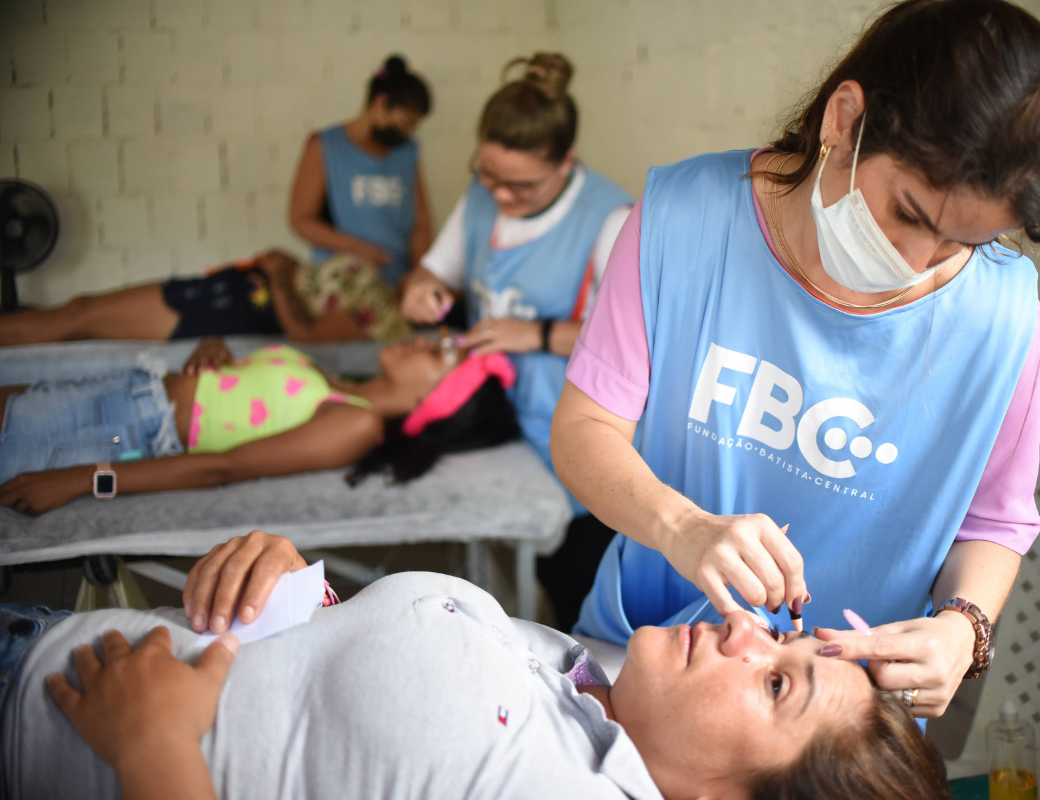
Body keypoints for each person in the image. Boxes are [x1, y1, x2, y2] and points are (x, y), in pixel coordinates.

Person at [551, 0, 1040, 720]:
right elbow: (584, 431)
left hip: (834, 724)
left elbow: (995, 523)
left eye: (963, 243)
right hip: (643, 656)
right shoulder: (683, 217)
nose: (916, 264)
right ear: (844, 119)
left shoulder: (1003, 316)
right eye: (909, 215)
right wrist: (682, 527)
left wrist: (963, 629)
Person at [1, 531, 950, 799]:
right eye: (786, 638)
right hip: (50, 643)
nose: (747, 628)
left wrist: (153, 747)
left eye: (776, 681)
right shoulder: (600, 695)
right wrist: (294, 598)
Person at [401, 53, 635, 631]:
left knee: (576, 598)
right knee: (508, 581)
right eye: (487, 175)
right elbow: (434, 273)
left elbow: (641, 347)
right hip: (500, 427)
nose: (500, 196)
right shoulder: (483, 196)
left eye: (521, 185)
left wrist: (534, 334)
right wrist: (422, 291)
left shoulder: (610, 219)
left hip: (572, 438)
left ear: (566, 163)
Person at [0, 337, 519, 515]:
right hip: (128, 393)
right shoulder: (340, 383)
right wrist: (212, 347)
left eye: (436, 356)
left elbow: (223, 468)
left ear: (433, 399)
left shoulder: (355, 424)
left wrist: (83, 480)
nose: (423, 341)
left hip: (121, 430)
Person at [0, 250, 411, 346]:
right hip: (225, 289)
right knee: (80, 310)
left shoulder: (384, 321)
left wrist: (278, 277)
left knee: (80, 316)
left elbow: (308, 335)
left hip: (223, 313)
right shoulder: (377, 276)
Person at [290, 55, 433, 288]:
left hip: (396, 281)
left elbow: (420, 225)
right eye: (404, 123)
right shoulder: (326, 146)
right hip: (342, 282)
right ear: (380, 104)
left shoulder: (407, 152)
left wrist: (420, 276)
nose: (407, 133)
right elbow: (300, 219)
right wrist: (357, 248)